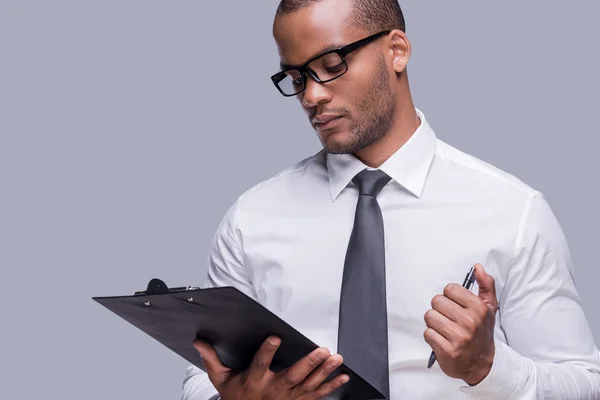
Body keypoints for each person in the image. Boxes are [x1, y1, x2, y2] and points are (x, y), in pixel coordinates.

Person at [182, 0, 600, 399]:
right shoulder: (250, 222)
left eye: (331, 66)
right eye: (296, 79)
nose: (311, 97)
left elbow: (583, 382)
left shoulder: (513, 212)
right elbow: (202, 378)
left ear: (396, 51)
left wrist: (488, 367)